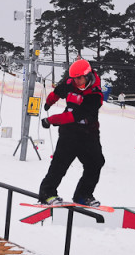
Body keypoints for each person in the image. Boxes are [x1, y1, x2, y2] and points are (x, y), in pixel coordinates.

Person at [38, 58, 105, 207]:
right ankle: (47, 194)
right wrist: (49, 102)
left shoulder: (95, 95)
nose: (77, 82)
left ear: (88, 76)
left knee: (96, 163)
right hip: (69, 133)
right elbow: (58, 91)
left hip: (88, 133)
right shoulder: (71, 83)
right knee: (60, 163)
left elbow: (75, 116)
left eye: (79, 78)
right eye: (74, 79)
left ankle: (83, 195)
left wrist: (51, 120)